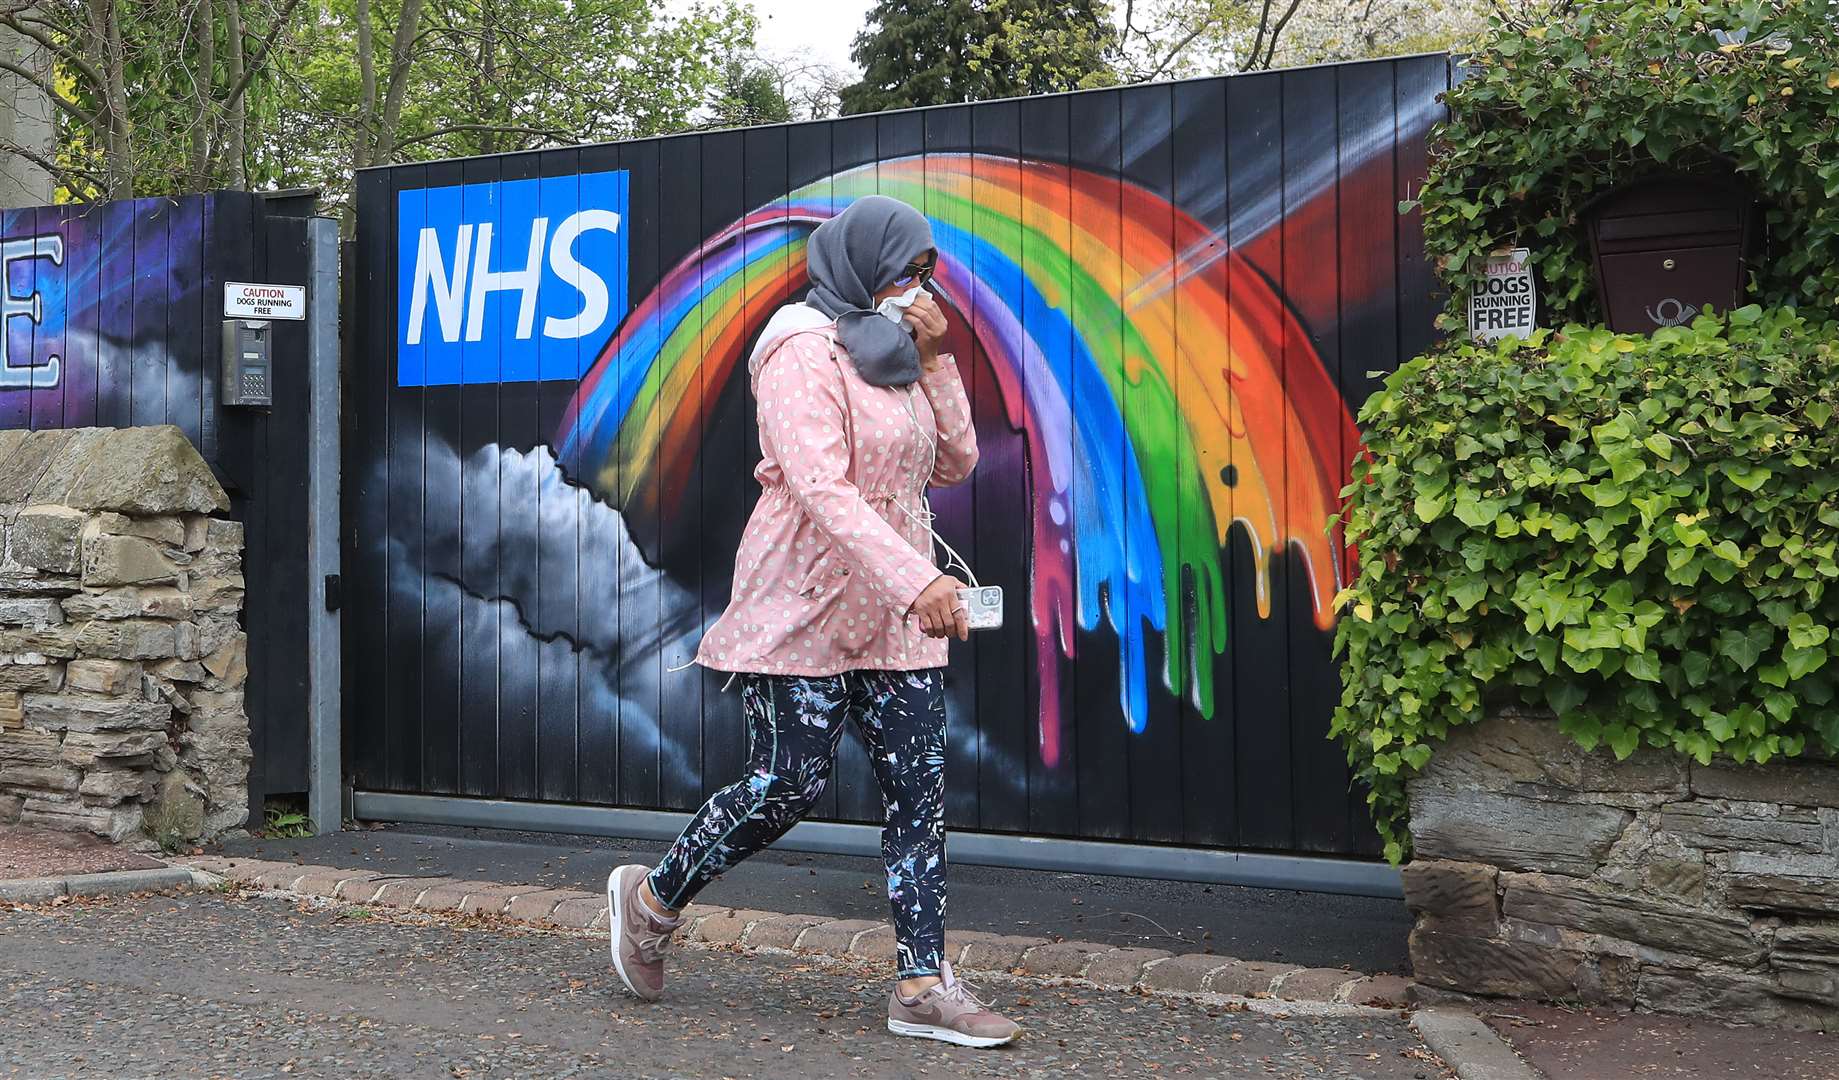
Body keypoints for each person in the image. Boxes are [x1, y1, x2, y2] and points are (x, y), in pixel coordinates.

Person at [605, 194, 1020, 1048]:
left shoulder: (894, 350)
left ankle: (920, 984)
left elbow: (955, 463)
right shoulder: (797, 346)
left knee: (919, 790)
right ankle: (651, 902)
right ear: (863, 265)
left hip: (895, 613)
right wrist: (918, 581)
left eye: (926, 274)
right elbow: (822, 489)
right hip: (807, 600)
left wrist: (937, 361)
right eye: (908, 272)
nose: (918, 288)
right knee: (785, 785)